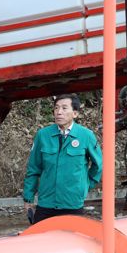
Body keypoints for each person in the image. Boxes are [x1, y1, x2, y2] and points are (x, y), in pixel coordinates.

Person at [23, 94, 103, 224]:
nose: (59, 112)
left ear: (75, 113)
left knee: (73, 241)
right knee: (41, 240)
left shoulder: (86, 136)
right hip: (46, 202)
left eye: (64, 108)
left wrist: (85, 185)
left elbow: (98, 165)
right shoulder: (43, 135)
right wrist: (28, 198)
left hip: (72, 203)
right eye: (56, 108)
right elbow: (33, 168)